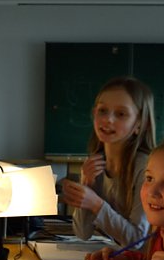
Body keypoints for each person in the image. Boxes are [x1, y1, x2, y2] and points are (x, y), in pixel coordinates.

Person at [61, 76, 156, 247]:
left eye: (121, 114)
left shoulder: (147, 169)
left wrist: (96, 204)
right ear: (94, 114)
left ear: (140, 124)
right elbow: (82, 233)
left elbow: (135, 240)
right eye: (103, 110)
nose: (108, 119)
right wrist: (87, 184)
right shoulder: (95, 165)